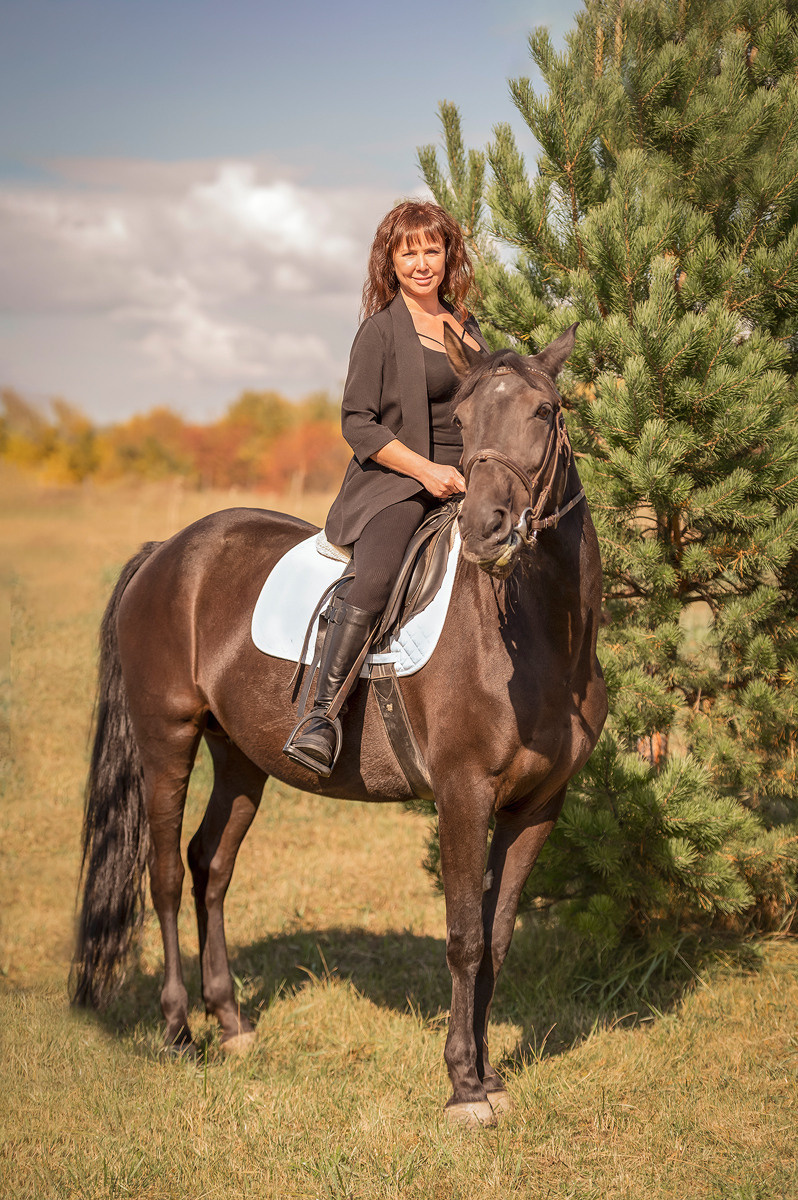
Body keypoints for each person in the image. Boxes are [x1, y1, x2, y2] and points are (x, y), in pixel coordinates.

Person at [283, 199, 487, 776]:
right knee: (375, 576)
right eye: (408, 251)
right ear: (390, 261)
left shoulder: (467, 328)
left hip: (469, 483)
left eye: (432, 249)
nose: (421, 263)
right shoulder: (379, 331)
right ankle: (319, 715)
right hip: (396, 483)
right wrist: (426, 472)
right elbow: (357, 422)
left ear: (449, 255)